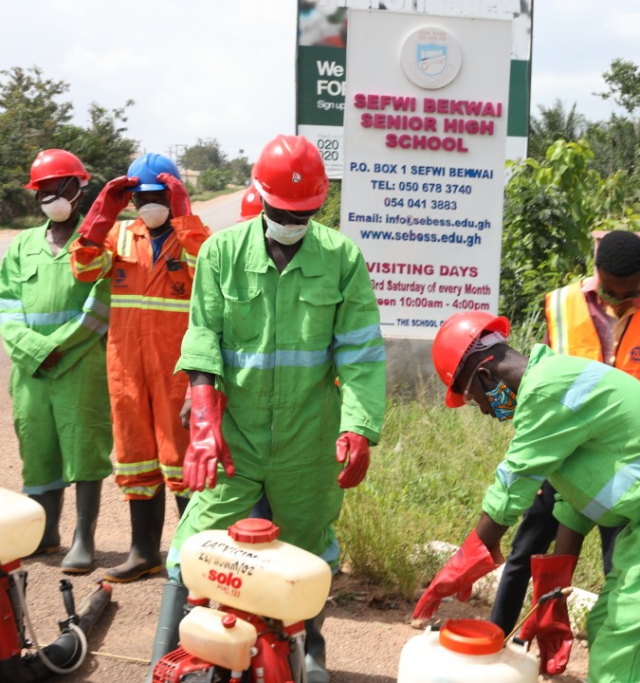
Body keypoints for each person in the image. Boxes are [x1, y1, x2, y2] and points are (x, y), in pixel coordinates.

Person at [151, 134, 386, 683]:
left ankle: (307, 658)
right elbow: (203, 338)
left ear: (319, 205)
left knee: (307, 555)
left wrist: (359, 427)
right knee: (194, 547)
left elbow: (360, 353)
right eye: (282, 211)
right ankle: (164, 658)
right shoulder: (222, 253)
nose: (291, 222)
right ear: (261, 196)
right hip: (234, 438)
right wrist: (204, 423)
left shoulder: (341, 258)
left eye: (303, 214)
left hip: (308, 440)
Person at [414, 311, 640, 683]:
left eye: (473, 399)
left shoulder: (545, 391)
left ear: (486, 375)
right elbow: (574, 502)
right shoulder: (555, 383)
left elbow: (513, 481)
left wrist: (466, 559)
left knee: (623, 651)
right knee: (607, 626)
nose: (485, 410)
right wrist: (553, 591)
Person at [491, 229, 640, 635]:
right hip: (561, 457)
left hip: (623, 466)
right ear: (596, 272)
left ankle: (611, 655)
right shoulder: (561, 305)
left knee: (619, 566)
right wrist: (534, 460)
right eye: (610, 291)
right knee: (526, 552)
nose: (618, 300)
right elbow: (537, 384)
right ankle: (498, 635)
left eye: (629, 294)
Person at [69, 152, 211, 582]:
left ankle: (192, 559)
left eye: (158, 196)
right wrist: (101, 213)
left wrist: (185, 216)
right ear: (130, 200)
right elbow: (84, 268)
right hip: (127, 369)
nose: (149, 204)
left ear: (173, 196)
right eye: (141, 197)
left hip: (177, 371)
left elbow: (209, 270)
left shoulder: (194, 236)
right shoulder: (119, 236)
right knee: (134, 456)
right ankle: (143, 552)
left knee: (184, 461)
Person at [0, 149, 113, 573]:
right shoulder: (22, 245)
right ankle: (44, 532)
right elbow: (7, 305)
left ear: (78, 188)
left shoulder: (98, 243)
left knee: (84, 446)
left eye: (58, 188)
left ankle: (84, 537)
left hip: (79, 365)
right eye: (43, 191)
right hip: (31, 371)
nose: (51, 198)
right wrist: (33, 350)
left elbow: (100, 307)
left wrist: (57, 349)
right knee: (37, 445)